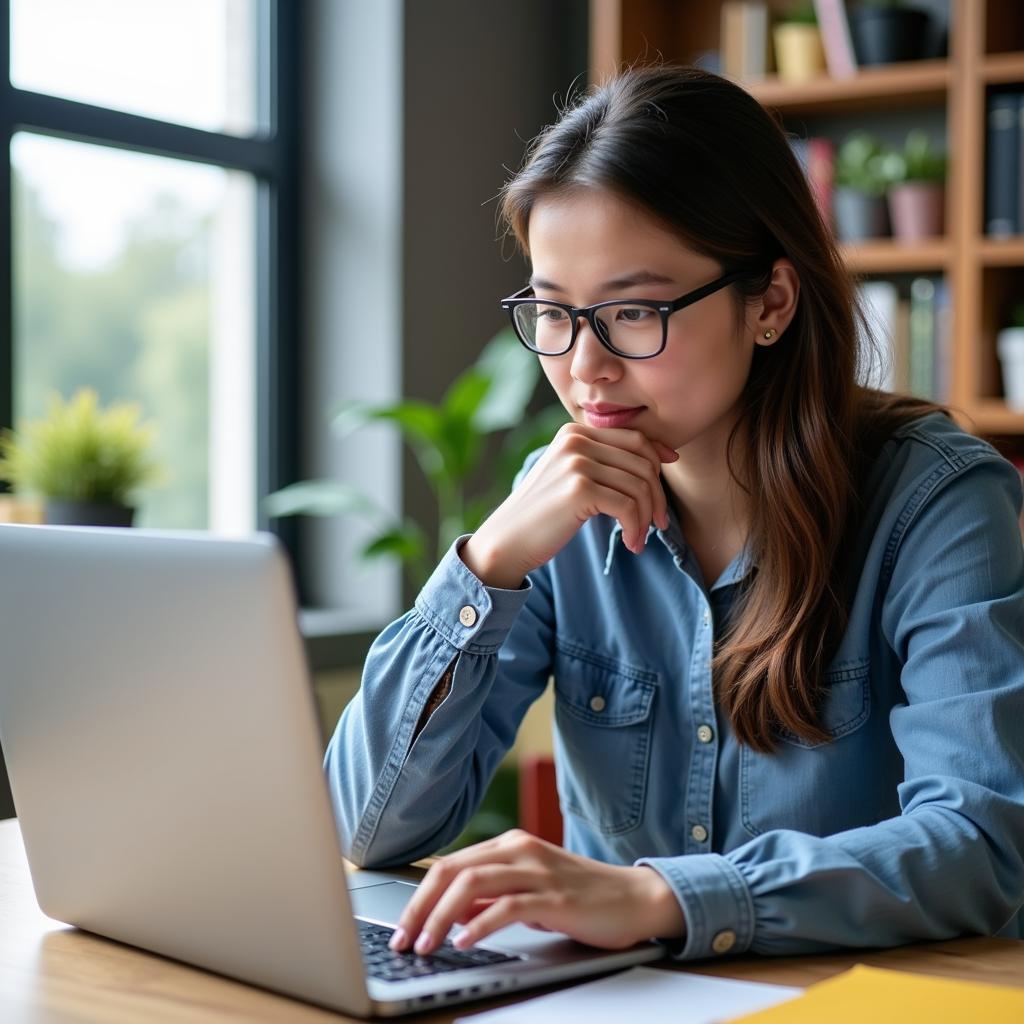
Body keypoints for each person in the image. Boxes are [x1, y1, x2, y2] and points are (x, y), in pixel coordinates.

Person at [323, 64, 1024, 963]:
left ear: (768, 302)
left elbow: (980, 846)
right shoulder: (554, 504)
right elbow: (369, 827)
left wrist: (659, 897)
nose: (585, 368)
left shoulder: (935, 502)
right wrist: (487, 562)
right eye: (553, 313)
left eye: (633, 311)